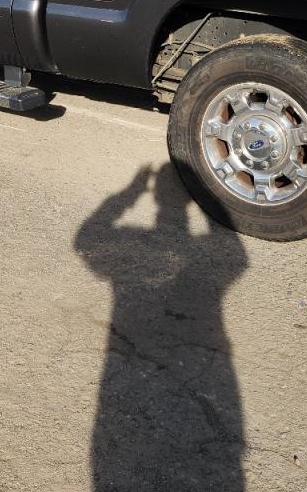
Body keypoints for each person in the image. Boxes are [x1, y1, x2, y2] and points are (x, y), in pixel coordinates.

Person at [75, 164, 248, 491]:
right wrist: (214, 202)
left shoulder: (128, 252)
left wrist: (130, 194)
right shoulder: (203, 262)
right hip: (211, 364)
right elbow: (237, 259)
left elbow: (86, 239)